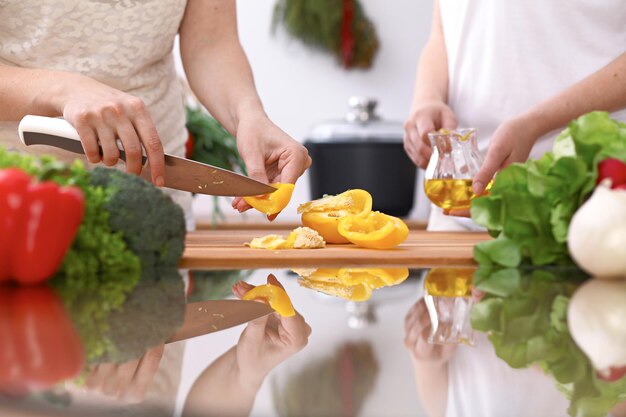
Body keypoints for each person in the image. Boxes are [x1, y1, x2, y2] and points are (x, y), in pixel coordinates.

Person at [0, 0, 311, 220]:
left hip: (154, 203)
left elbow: (210, 44)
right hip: (16, 202)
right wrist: (62, 89)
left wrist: (248, 115)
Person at [404, 0, 626, 228]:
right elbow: (442, 36)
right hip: (459, 209)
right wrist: (427, 98)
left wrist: (537, 122)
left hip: (589, 202)